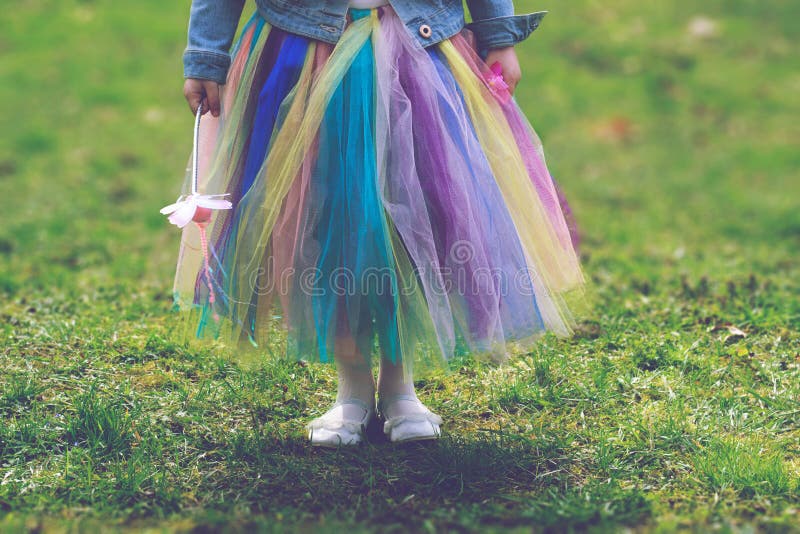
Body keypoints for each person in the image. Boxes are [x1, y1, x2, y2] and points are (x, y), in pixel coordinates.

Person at [166, 0, 584, 447]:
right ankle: (353, 384)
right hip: (303, 55)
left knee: (411, 219)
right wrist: (206, 54)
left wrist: (498, 34)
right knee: (328, 222)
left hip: (417, 55)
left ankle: (400, 384)